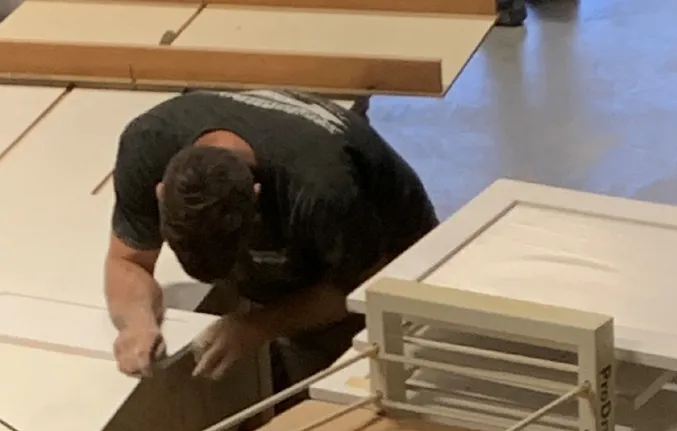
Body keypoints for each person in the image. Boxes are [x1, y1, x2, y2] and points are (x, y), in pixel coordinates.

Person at [104, 88, 437, 385]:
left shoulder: (322, 188)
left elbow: (362, 287)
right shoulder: (147, 145)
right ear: (160, 192)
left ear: (257, 196)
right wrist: (137, 322)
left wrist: (257, 326)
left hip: (389, 253)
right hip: (312, 235)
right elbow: (127, 261)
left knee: (361, 386)